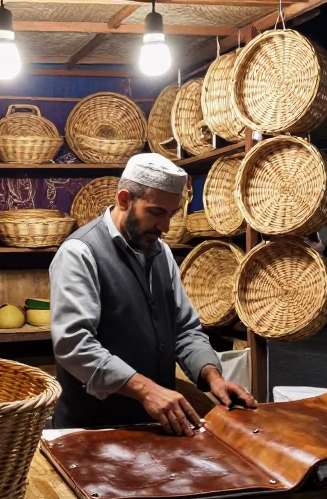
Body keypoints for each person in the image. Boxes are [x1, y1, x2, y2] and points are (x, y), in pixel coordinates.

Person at [50, 152, 256, 434]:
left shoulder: (162, 253)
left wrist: (212, 377)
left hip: (156, 427)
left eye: (171, 215)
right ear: (124, 200)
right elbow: (74, 345)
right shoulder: (80, 252)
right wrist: (146, 390)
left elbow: (184, 329)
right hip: (93, 430)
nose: (166, 227)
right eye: (157, 212)